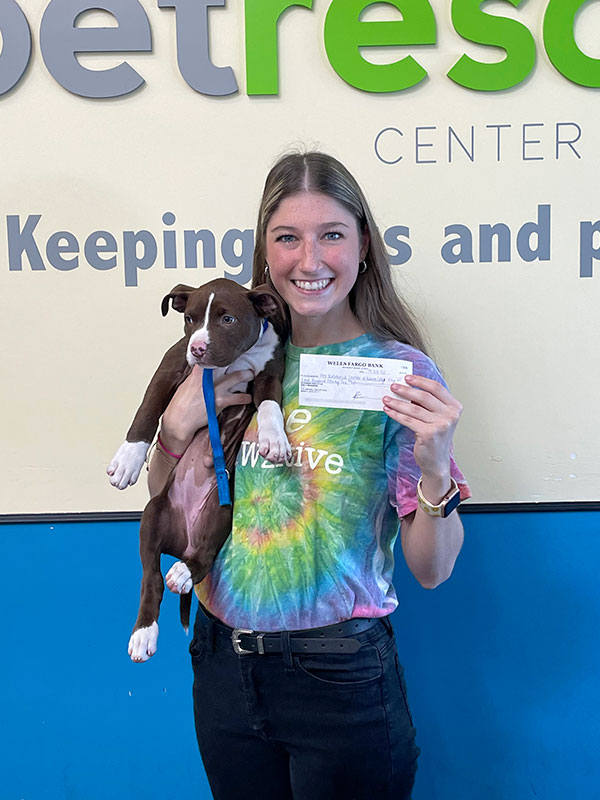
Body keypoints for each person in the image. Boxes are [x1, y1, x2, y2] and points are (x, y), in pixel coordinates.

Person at [148, 151, 471, 799]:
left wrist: (435, 468)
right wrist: (176, 427)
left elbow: (432, 571)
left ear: (363, 245)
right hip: (221, 668)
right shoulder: (228, 350)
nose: (310, 260)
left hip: (340, 677)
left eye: (331, 235)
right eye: (287, 237)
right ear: (263, 249)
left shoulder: (399, 373)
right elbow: (166, 501)